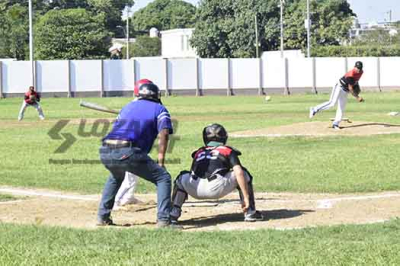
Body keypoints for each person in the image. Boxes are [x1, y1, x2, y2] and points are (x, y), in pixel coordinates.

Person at [97, 79, 177, 228]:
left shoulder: (128, 107)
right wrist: (161, 161)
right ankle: (164, 220)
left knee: (116, 176)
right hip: (126, 150)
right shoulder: (160, 109)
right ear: (156, 95)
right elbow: (164, 134)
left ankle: (102, 217)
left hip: (105, 150)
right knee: (163, 177)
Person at [170, 123, 264, 224]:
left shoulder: (199, 152)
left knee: (182, 177)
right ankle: (250, 211)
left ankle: (173, 213)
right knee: (243, 173)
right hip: (216, 188)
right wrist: (246, 197)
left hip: (195, 188)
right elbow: (238, 172)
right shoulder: (227, 150)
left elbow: (193, 172)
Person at [112, 79, 156, 211]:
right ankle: (116, 201)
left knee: (134, 174)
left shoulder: (136, 105)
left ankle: (128, 197)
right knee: (130, 175)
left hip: (131, 145)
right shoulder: (138, 106)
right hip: (127, 146)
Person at [309, 61, 364, 129]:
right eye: (357, 68)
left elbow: (355, 81)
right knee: (332, 103)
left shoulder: (361, 72)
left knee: (342, 107)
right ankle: (314, 109)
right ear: (354, 67)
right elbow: (350, 88)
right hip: (339, 87)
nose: (358, 69)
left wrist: (357, 87)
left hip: (345, 90)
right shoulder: (351, 74)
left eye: (360, 68)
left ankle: (335, 123)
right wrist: (357, 97)